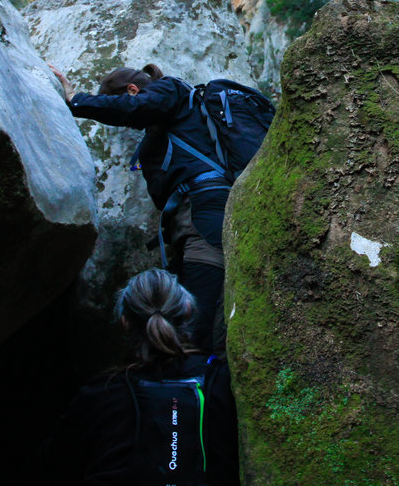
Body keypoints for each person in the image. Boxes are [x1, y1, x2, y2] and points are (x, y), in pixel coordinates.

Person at [51, 63, 230, 355]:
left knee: (196, 321)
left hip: (203, 211)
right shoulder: (173, 114)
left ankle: (193, 391)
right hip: (194, 215)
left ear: (133, 90)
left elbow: (133, 108)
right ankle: (185, 387)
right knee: (183, 313)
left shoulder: (168, 88)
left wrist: (76, 100)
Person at [42, 269, 240, 485]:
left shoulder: (101, 394)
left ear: (125, 321)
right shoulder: (223, 382)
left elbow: (55, 465)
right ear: (189, 312)